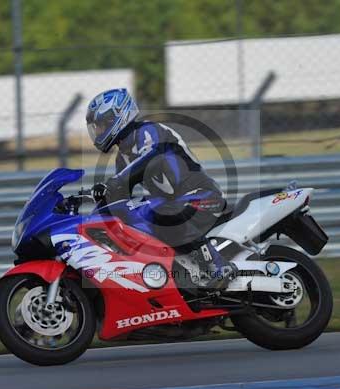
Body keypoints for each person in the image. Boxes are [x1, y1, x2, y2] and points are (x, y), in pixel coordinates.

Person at [86, 88, 237, 290]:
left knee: (158, 209)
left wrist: (116, 181)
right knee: (133, 219)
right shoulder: (122, 157)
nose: (99, 131)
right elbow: (120, 197)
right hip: (174, 202)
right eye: (97, 127)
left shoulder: (148, 131)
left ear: (118, 117)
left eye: (103, 125)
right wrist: (99, 203)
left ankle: (218, 265)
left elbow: (151, 159)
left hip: (202, 195)